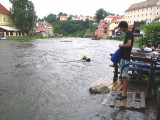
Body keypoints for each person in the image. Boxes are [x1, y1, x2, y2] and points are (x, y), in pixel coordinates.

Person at [117, 21, 134, 100]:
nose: (120, 29)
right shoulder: (128, 34)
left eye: (120, 27)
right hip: (124, 58)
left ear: (123, 26)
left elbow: (129, 44)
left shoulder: (129, 34)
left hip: (125, 58)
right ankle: (124, 92)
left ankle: (124, 94)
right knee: (123, 76)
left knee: (125, 76)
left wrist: (122, 45)